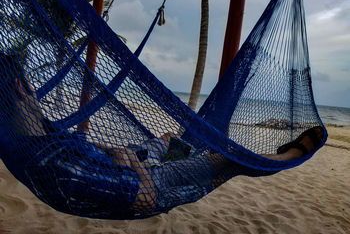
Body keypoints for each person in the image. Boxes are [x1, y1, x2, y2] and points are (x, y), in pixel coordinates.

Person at [0, 53, 324, 216]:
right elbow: (146, 198)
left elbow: (86, 148)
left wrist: (118, 152)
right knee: (227, 158)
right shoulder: (54, 160)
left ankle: (186, 152)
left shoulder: (38, 138)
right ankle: (290, 154)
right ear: (20, 87)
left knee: (171, 138)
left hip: (133, 160)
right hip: (152, 179)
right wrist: (127, 159)